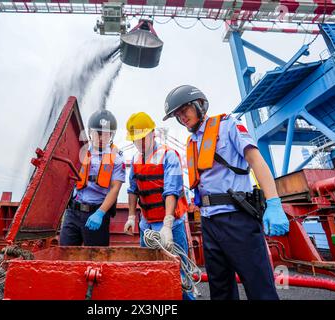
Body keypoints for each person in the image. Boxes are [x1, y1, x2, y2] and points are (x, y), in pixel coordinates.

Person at [163, 85, 289, 300]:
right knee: (220, 290)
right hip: (209, 222)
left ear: (199, 105)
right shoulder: (192, 142)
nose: (182, 117)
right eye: (177, 115)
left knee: (260, 288)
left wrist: (274, 203)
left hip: (238, 219)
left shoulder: (227, 125)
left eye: (185, 110)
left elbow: (255, 160)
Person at [123, 112, 195, 300]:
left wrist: (168, 224)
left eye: (142, 138)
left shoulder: (169, 155)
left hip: (170, 224)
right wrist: (131, 217)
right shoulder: (135, 160)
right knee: (149, 271)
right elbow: (132, 190)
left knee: (179, 273)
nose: (139, 143)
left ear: (152, 133)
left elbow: (171, 190)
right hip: (146, 225)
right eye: (135, 140)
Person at [60, 109, 125, 246]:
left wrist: (100, 213)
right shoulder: (79, 151)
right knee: (65, 256)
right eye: (98, 133)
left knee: (96, 260)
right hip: (72, 213)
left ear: (112, 135)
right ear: (90, 132)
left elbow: (115, 188)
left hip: (96, 213)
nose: (102, 138)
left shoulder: (117, 158)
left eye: (106, 135)